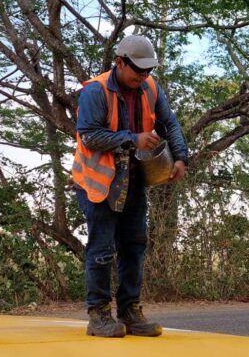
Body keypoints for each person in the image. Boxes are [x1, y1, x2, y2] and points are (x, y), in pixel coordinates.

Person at [72, 35, 188, 338]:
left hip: (133, 179)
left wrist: (180, 157)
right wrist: (132, 138)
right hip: (98, 183)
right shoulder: (95, 91)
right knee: (101, 249)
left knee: (134, 246)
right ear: (119, 62)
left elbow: (170, 123)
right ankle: (98, 315)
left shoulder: (150, 87)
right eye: (138, 70)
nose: (143, 76)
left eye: (148, 71)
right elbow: (89, 136)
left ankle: (130, 311)